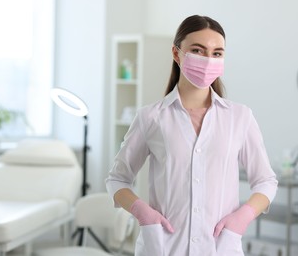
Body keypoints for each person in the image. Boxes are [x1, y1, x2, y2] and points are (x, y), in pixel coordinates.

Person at [106, 15, 278, 256]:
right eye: (198, 50)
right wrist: (142, 213)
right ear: (177, 54)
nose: (208, 60)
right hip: (163, 247)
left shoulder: (240, 117)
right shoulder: (151, 117)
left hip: (221, 248)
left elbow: (266, 181)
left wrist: (243, 217)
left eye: (217, 53)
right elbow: (117, 179)